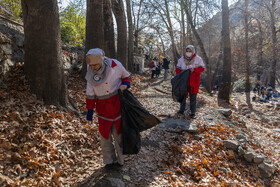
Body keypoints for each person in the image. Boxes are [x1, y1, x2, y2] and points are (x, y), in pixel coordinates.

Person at [85, 48, 131, 170]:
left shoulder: (115, 66)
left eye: (95, 64)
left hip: (117, 106)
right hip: (102, 109)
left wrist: (126, 84)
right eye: (91, 65)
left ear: (101, 61)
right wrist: (90, 110)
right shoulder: (90, 72)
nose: (93, 67)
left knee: (118, 136)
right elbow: (90, 92)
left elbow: (126, 77)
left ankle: (121, 160)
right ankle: (109, 161)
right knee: (104, 137)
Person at [175, 45, 205, 118]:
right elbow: (177, 69)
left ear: (193, 51)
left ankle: (193, 112)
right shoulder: (181, 59)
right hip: (184, 81)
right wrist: (181, 75)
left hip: (194, 81)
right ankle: (181, 110)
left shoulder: (198, 59)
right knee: (183, 96)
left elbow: (202, 68)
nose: (188, 53)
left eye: (190, 51)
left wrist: (194, 70)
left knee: (193, 97)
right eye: (187, 51)